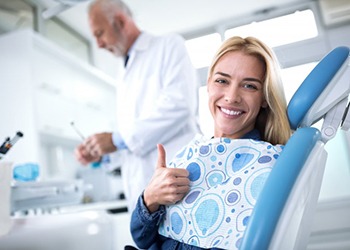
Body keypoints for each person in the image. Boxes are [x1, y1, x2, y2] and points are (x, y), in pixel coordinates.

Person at [129, 36, 291, 249]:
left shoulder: (264, 165)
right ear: (208, 85)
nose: (232, 97)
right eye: (222, 81)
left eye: (249, 86)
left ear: (264, 98)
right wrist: (150, 199)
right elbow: (142, 239)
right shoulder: (192, 154)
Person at [74, 0, 200, 211]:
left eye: (99, 33)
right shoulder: (123, 70)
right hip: (143, 196)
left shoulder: (168, 45)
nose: (99, 44)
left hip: (176, 186)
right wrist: (102, 151)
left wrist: (115, 139)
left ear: (121, 21)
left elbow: (179, 105)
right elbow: (134, 140)